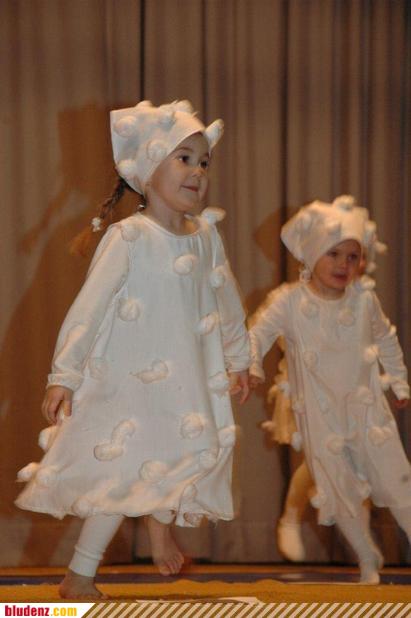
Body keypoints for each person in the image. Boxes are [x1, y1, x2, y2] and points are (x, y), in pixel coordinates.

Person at [16, 100, 250, 599]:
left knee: (179, 455)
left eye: (204, 162)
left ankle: (155, 531)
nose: (197, 171)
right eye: (183, 158)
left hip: (185, 384)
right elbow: (88, 310)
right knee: (121, 473)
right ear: (148, 166)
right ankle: (80, 575)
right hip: (127, 385)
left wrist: (240, 359)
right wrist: (64, 376)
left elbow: (227, 300)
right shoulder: (129, 237)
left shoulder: (206, 238)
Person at [249, 195, 411, 583]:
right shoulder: (288, 302)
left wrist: (399, 380)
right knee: (340, 492)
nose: (343, 264)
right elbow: (256, 335)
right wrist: (251, 365)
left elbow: (386, 339)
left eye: (353, 257)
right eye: (333, 253)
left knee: (398, 480)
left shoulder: (364, 300)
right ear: (311, 253)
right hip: (321, 417)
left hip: (368, 411)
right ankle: (367, 557)